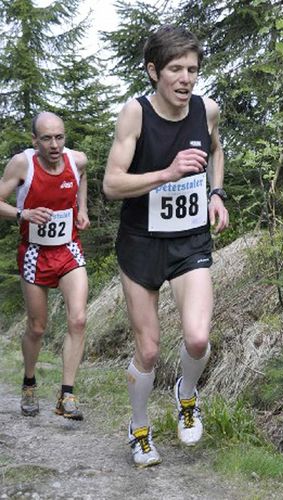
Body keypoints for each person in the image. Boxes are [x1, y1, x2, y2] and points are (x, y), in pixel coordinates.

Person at [103, 25, 229, 467]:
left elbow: (216, 151)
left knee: (197, 338)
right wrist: (165, 173)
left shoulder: (206, 110)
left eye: (192, 69)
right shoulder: (134, 114)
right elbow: (111, 184)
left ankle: (187, 395)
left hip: (190, 239)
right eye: (175, 68)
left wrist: (215, 193)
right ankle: (139, 430)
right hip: (140, 242)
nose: (185, 79)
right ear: (154, 71)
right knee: (150, 349)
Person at [0, 111, 90, 420]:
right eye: (47, 138)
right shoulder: (21, 164)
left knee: (77, 319)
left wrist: (82, 209)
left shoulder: (76, 160)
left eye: (59, 137)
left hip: (68, 250)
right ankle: (28, 383)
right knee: (37, 327)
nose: (55, 145)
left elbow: (83, 177)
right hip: (34, 253)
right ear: (34, 140)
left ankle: (67, 395)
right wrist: (22, 214)